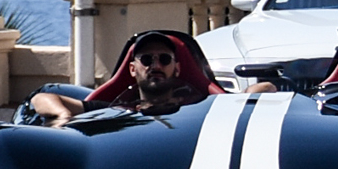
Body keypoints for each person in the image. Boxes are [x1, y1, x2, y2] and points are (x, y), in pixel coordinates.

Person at [31, 33, 212, 125]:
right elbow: (41, 99)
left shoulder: (199, 108)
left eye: (164, 59)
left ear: (177, 68)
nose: (156, 66)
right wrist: (64, 116)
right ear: (132, 69)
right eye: (147, 60)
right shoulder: (119, 109)